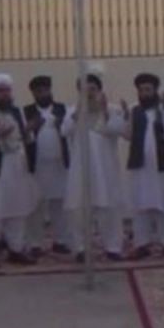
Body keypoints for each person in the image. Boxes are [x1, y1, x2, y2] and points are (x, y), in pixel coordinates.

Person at [0, 74, 40, 268]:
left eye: (8, 90)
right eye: (1, 91)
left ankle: (16, 249)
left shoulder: (16, 111)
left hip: (17, 163)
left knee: (17, 208)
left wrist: (29, 130)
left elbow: (24, 138)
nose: (5, 94)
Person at [61, 72, 127, 262]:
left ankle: (113, 247)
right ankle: (80, 248)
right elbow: (64, 131)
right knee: (78, 209)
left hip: (105, 169)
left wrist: (105, 111)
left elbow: (118, 130)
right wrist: (77, 113)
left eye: (93, 89)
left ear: (99, 90)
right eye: (85, 90)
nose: (89, 93)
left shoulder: (112, 109)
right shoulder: (72, 110)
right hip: (80, 170)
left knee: (110, 208)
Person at [123, 73, 164, 260]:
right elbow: (127, 135)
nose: (144, 93)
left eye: (148, 90)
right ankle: (142, 244)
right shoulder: (134, 110)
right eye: (141, 90)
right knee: (140, 205)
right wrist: (124, 117)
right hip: (141, 166)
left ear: (155, 90)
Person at [24, 75, 72, 256]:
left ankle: (61, 241)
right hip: (36, 166)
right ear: (33, 93)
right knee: (35, 206)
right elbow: (22, 135)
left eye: (45, 90)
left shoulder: (63, 109)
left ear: (50, 90)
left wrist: (61, 125)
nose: (43, 94)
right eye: (39, 91)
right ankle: (35, 243)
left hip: (59, 165)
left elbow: (71, 131)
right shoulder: (26, 111)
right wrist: (32, 126)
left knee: (59, 205)